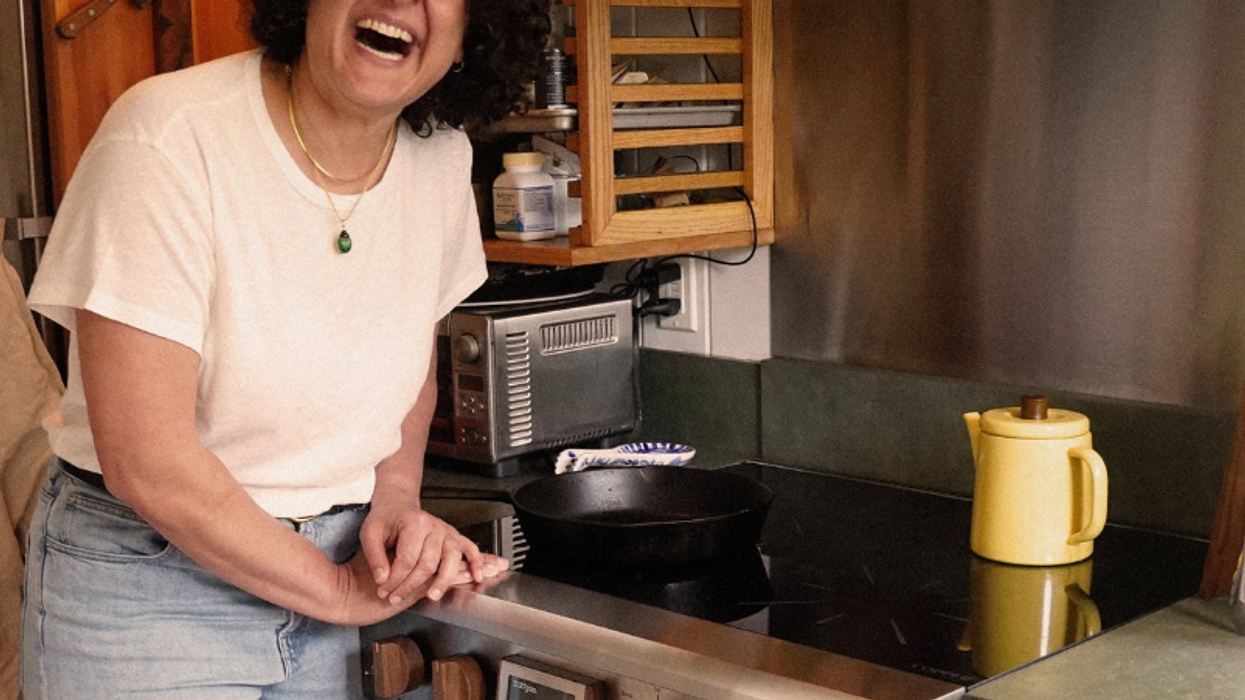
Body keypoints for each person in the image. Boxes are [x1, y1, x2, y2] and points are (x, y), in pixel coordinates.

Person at [21, 0, 550, 698]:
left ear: (469, 36)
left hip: (337, 561)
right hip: (147, 585)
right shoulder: (167, 134)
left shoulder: (440, 155)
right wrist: (334, 591)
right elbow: (146, 460)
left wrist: (395, 500)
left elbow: (407, 363)